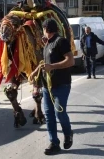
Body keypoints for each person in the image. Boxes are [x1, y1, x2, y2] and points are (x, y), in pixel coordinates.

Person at [38, 18, 74, 155]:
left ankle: (68, 132)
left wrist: (52, 67)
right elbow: (45, 63)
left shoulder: (61, 41)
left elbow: (70, 60)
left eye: (43, 29)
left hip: (61, 85)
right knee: (49, 115)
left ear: (46, 29)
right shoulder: (47, 43)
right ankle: (54, 142)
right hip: (47, 86)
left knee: (60, 113)